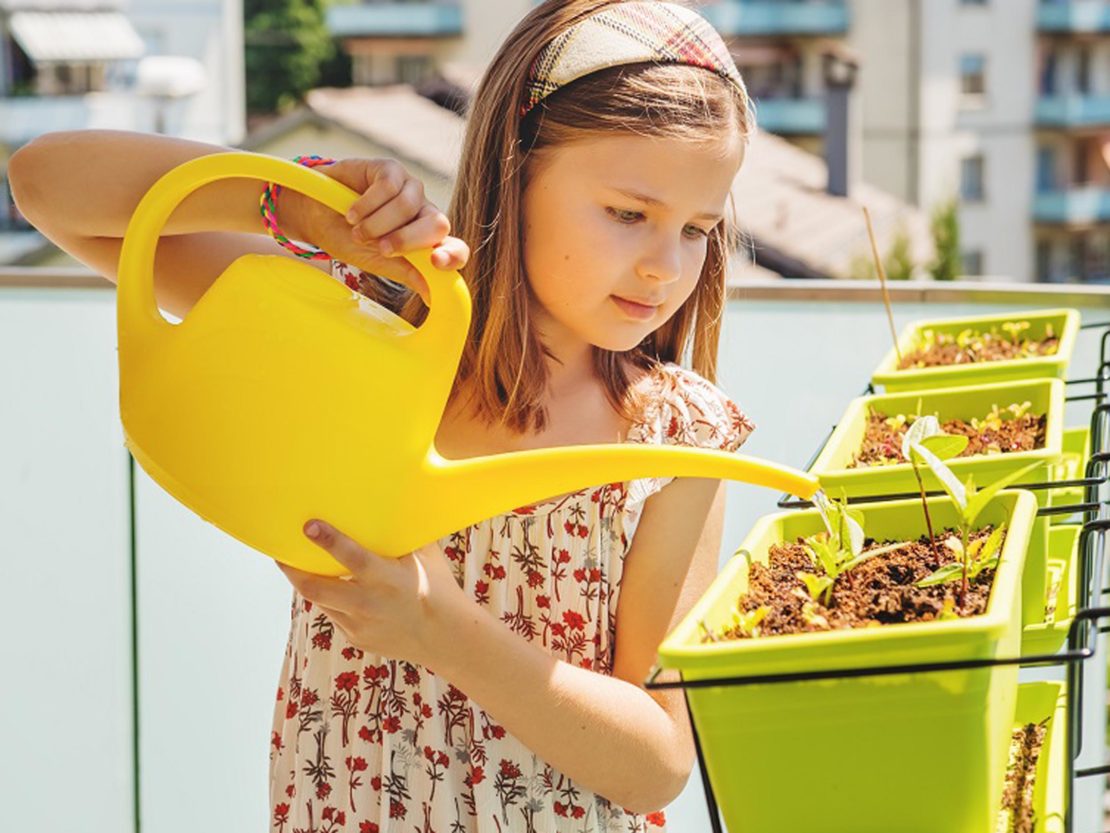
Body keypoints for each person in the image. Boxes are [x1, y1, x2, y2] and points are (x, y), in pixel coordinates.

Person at [9, 1, 756, 829]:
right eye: (627, 213)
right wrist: (294, 205)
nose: (664, 267)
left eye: (697, 230)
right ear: (518, 166)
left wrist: (439, 627)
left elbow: (657, 765)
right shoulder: (365, 329)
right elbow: (45, 184)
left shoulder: (680, 436)